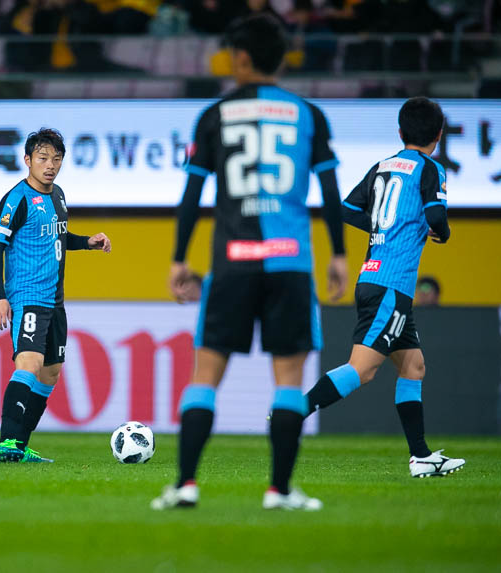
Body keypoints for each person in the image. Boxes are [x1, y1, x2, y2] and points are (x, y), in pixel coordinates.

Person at [151, 14, 348, 512]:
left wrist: (178, 258)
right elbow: (330, 190)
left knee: (205, 375)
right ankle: (279, 490)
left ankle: (186, 484)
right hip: (290, 262)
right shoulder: (308, 114)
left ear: (241, 58)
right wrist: (340, 253)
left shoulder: (214, 115)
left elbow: (192, 194)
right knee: (288, 381)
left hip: (232, 263)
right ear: (280, 59)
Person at [303, 97, 465, 478]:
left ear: (400, 131)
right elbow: (436, 215)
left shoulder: (383, 166)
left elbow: (347, 209)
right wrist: (442, 233)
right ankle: (293, 411)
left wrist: (380, 227)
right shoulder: (430, 168)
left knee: (414, 366)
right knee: (363, 369)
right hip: (391, 286)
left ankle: (421, 456)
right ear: (439, 135)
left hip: (376, 280)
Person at [0, 128, 111, 463]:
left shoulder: (58, 195)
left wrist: (86, 242)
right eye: (42, 158)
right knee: (29, 363)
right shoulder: (17, 198)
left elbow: (57, 236)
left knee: (50, 373)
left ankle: (20, 446)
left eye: (56, 159)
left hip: (55, 301)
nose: (50, 165)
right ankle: (6, 442)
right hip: (28, 296)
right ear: (27, 160)